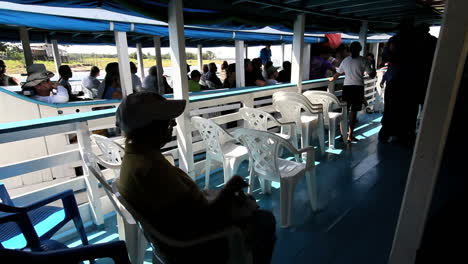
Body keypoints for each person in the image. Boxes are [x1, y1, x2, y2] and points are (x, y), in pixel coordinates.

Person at [116, 92, 276, 264]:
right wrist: (229, 190)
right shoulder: (151, 169)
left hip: (172, 239)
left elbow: (182, 209)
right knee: (264, 220)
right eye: (167, 122)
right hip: (194, 247)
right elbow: (202, 220)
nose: (171, 126)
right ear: (149, 128)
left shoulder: (135, 160)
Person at [330, 42, 375, 143]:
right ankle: (350, 135)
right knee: (353, 113)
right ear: (360, 49)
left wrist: (332, 78)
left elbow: (338, 73)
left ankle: (343, 135)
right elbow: (372, 75)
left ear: (350, 50)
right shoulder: (364, 60)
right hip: (357, 88)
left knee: (344, 112)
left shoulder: (346, 60)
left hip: (347, 88)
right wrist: (373, 65)